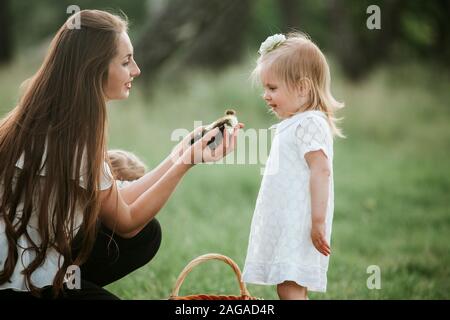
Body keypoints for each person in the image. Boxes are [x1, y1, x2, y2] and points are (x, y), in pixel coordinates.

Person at [0, 10, 243, 300]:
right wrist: (186, 163)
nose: (136, 70)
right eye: (126, 62)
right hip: (20, 286)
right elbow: (125, 223)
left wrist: (178, 156)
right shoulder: (71, 140)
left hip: (28, 269)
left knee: (147, 234)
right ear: (94, 69)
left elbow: (117, 201)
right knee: (137, 234)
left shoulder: (47, 120)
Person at [242, 33, 344, 300]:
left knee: (289, 285)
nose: (265, 96)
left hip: (300, 222)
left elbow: (321, 170)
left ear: (302, 87)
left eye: (272, 88)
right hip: (288, 219)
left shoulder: (309, 123)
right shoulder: (293, 123)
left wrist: (318, 221)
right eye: (265, 88)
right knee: (288, 284)